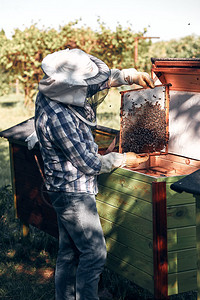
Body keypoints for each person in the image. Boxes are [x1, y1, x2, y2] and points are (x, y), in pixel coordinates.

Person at [26, 48, 154, 300]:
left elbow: (100, 81)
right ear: (71, 85)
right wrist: (123, 158)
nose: (92, 90)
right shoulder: (59, 116)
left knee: (70, 251)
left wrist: (131, 76)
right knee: (94, 255)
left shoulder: (55, 89)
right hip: (72, 192)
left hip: (62, 188)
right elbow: (88, 163)